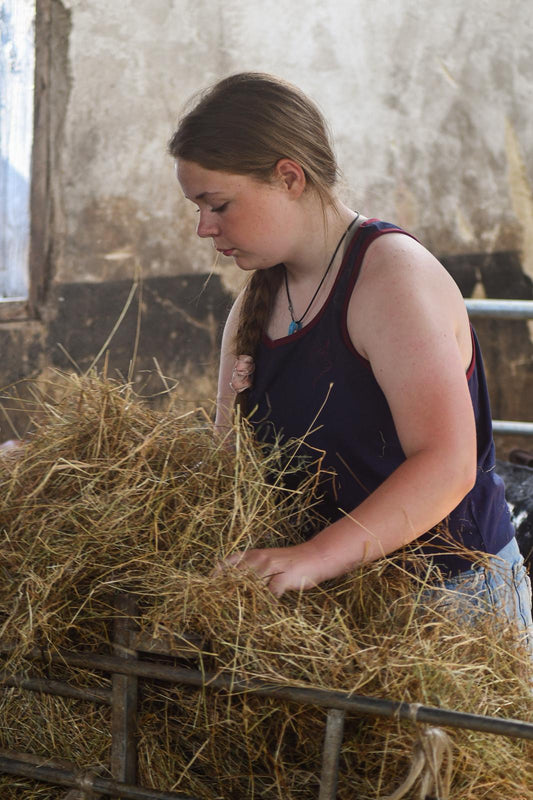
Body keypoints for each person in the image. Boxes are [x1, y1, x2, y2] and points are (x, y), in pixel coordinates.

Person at [169, 72, 533, 649]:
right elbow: (228, 468)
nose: (203, 228)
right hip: (332, 611)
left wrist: (314, 557)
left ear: (289, 176)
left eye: (217, 205)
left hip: (451, 607)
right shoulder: (252, 308)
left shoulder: (390, 277)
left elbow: (447, 463)